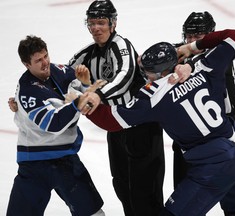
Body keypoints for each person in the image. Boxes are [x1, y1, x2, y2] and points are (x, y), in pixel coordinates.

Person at [77, 29, 235, 216]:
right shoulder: (203, 66)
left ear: (161, 74)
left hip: (211, 168)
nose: (146, 78)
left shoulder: (154, 96)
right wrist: (193, 48)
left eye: (148, 73)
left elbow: (111, 121)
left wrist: (84, 102)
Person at [68, 0, 165, 215]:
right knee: (122, 185)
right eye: (92, 23)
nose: (96, 28)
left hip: (142, 127)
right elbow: (64, 74)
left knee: (145, 190)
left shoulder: (122, 45)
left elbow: (125, 75)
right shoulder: (87, 53)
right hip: (116, 127)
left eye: (101, 22)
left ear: (113, 23)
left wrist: (96, 94)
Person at [6, 35, 105, 216]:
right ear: (26, 64)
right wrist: (78, 102)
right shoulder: (28, 91)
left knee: (94, 213)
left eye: (46, 56)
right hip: (35, 164)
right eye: (38, 61)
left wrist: (84, 84)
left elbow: (83, 91)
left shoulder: (58, 70)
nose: (45, 63)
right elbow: (53, 122)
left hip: (67, 159)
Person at [171, 11, 235, 189]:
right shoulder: (180, 53)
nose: (191, 41)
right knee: (186, 196)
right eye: (189, 36)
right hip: (191, 136)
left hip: (229, 130)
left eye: (197, 36)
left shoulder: (222, 52)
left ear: (210, 35)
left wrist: (191, 50)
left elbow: (234, 36)